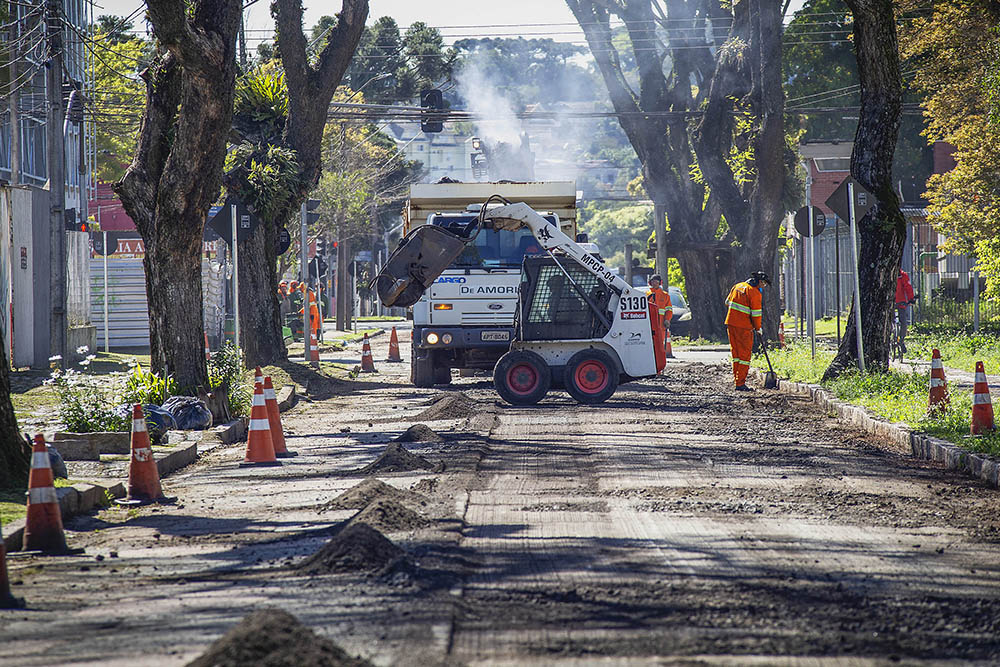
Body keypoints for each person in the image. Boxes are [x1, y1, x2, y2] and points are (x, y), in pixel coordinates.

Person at [725, 271, 770, 391]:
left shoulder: (737, 286)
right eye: (764, 284)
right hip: (744, 327)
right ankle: (740, 383)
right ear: (760, 282)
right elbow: (756, 314)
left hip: (731, 323)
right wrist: (758, 328)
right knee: (744, 355)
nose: (764, 286)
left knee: (736, 354)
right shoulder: (754, 293)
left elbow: (727, 302)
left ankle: (737, 379)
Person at [646, 274, 673, 372]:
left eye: (656, 282)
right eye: (653, 282)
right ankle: (650, 368)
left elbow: (669, 310)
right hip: (649, 326)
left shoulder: (665, 296)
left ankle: (659, 369)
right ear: (650, 283)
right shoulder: (646, 295)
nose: (655, 284)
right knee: (649, 347)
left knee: (659, 348)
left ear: (660, 283)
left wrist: (667, 320)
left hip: (661, 326)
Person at [895, 269, 916, 353]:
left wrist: (911, 299)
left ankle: (901, 341)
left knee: (903, 323)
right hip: (889, 304)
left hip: (901, 303)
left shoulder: (902, 275)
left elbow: (908, 287)